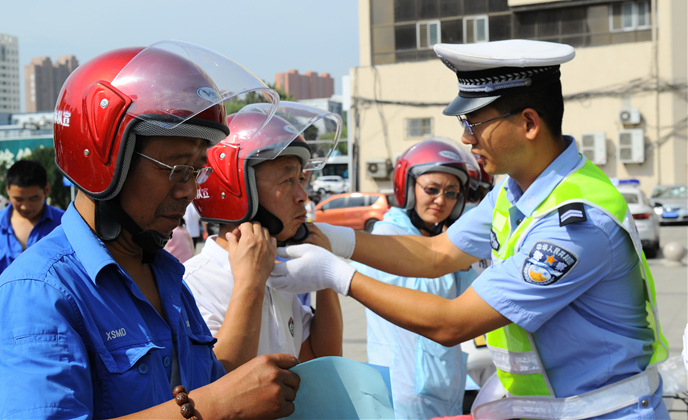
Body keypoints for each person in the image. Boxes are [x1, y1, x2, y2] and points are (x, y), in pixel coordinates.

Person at [268, 39, 669, 419]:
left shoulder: (576, 223)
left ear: (529, 123)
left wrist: (335, 274)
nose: (465, 137)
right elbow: (437, 254)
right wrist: (333, 240)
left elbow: (453, 323)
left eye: (475, 122)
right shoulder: (513, 192)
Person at [0, 42, 301, 419]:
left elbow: (204, 386)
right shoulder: (39, 292)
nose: (189, 190)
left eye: (198, 170)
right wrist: (217, 406)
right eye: (177, 168)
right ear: (105, 162)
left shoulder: (167, 278)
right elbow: (211, 404)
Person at [184, 102, 344, 372]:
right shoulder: (193, 284)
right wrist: (251, 284)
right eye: (287, 180)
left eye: (301, 181)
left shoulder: (277, 274)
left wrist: (325, 279)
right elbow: (217, 382)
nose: (302, 196)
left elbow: (323, 359)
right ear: (238, 188)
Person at [353, 137, 480, 419]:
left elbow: (467, 301)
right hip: (406, 392)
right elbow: (426, 289)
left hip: (447, 386)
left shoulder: (442, 241)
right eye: (432, 189)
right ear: (409, 188)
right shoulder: (389, 238)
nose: (441, 200)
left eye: (452, 193)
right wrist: (454, 251)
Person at [0, 159, 64, 335]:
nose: (25, 206)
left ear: (46, 190)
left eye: (33, 198)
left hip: (52, 323)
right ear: (7, 192)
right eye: (18, 199)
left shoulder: (64, 225)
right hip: (1, 324)